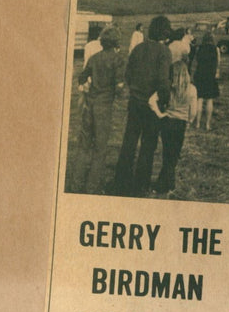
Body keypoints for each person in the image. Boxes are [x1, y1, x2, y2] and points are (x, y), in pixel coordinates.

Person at [113, 15, 172, 196]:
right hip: (151, 104)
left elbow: (128, 75)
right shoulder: (164, 52)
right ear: (165, 32)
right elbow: (163, 80)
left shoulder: (138, 49)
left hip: (135, 102)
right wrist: (164, 99)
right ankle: (140, 185)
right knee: (148, 144)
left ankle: (121, 181)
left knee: (129, 141)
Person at [72, 26, 125, 194]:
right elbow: (119, 86)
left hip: (90, 104)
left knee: (84, 146)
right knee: (100, 148)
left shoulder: (94, 58)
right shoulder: (118, 60)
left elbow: (81, 77)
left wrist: (86, 89)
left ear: (102, 41)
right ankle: (92, 187)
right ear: (116, 42)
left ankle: (76, 183)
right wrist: (119, 93)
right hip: (104, 106)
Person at [148, 57, 197, 194]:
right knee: (174, 155)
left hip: (167, 122)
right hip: (180, 124)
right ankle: (165, 185)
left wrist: (160, 114)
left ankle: (167, 183)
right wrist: (189, 121)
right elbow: (193, 111)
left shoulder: (168, 88)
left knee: (167, 154)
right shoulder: (192, 89)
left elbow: (152, 101)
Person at [193, 30, 220, 130]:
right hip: (210, 75)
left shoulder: (199, 48)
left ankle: (197, 123)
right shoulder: (216, 49)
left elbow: (196, 62)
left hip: (200, 74)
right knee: (209, 100)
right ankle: (207, 124)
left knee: (199, 99)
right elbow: (218, 63)